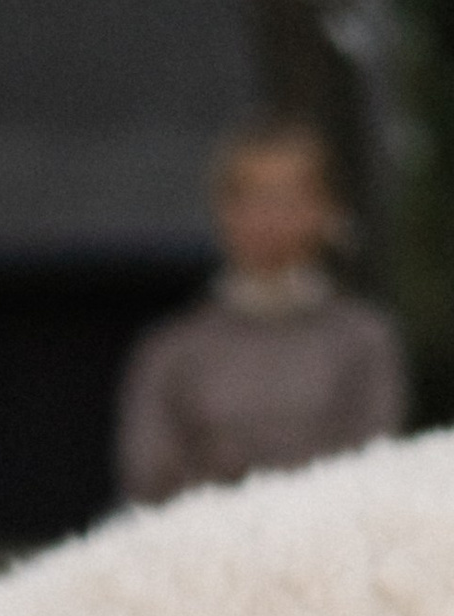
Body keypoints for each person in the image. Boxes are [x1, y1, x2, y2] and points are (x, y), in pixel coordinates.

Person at [117, 118, 407, 507]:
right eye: (252, 198)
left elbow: (374, 458)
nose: (269, 217)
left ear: (326, 209)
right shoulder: (173, 350)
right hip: (203, 545)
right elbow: (149, 474)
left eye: (289, 198)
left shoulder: (363, 339)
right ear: (223, 210)